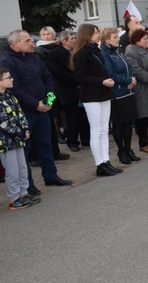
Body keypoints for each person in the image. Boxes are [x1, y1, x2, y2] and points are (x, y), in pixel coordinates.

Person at [0, 30, 72, 191]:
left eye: (31, 40)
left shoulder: (34, 57)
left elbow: (48, 78)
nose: (32, 43)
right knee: (25, 150)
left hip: (43, 109)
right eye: (27, 41)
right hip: (25, 112)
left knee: (45, 144)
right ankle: (28, 185)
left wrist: (49, 100)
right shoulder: (7, 61)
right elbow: (15, 88)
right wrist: (35, 104)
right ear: (15, 43)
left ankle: (51, 176)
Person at [70, 24, 120, 177]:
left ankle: (106, 161)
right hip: (91, 95)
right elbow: (80, 77)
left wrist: (107, 80)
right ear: (87, 34)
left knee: (104, 129)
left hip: (103, 93)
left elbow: (101, 70)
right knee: (96, 130)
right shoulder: (80, 54)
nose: (98, 35)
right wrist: (101, 81)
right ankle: (99, 164)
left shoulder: (96, 50)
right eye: (96, 33)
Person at [0, 67, 39, 209]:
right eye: (8, 78)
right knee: (12, 171)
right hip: (5, 143)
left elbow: (20, 114)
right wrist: (19, 133)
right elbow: (3, 123)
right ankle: (13, 197)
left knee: (22, 167)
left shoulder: (11, 95)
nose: (12, 80)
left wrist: (25, 129)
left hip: (18, 140)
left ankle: (23, 193)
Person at [101, 27, 140, 165]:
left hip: (128, 91)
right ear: (106, 39)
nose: (118, 39)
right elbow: (110, 73)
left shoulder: (119, 50)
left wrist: (132, 79)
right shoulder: (105, 53)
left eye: (117, 36)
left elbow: (128, 68)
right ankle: (121, 151)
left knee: (128, 122)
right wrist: (128, 81)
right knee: (119, 123)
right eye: (114, 37)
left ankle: (129, 149)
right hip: (117, 93)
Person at [46, 30, 90, 153]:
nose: (75, 41)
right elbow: (58, 73)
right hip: (67, 89)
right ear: (64, 41)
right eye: (72, 39)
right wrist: (78, 81)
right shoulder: (55, 54)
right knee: (72, 117)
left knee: (84, 115)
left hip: (82, 87)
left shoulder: (78, 51)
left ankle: (86, 138)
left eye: (75, 38)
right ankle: (72, 141)